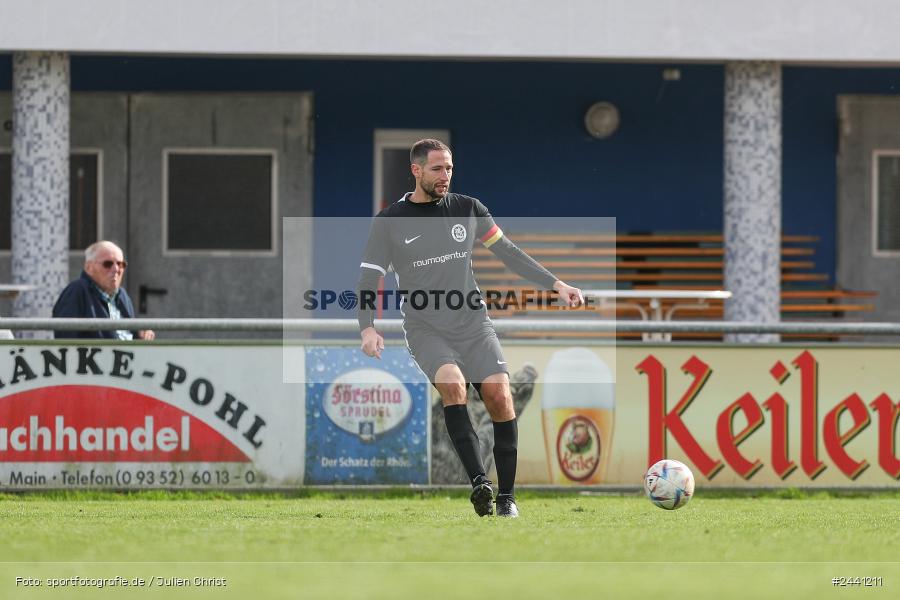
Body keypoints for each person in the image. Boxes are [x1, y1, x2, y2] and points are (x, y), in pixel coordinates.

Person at [358, 139, 583, 517]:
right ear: (416, 171)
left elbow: (508, 252)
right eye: (436, 168)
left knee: (499, 396)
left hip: (472, 323)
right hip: (425, 326)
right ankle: (480, 482)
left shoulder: (468, 209)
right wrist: (367, 327)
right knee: (453, 385)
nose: (445, 175)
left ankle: (507, 498)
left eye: (449, 168)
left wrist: (555, 284)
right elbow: (368, 280)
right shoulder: (389, 222)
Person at [52, 241, 155, 340]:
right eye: (108, 264)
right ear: (89, 267)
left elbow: (129, 335)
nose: (116, 269)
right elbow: (65, 342)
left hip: (128, 356)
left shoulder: (122, 294)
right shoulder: (77, 290)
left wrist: (141, 335)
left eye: (120, 264)